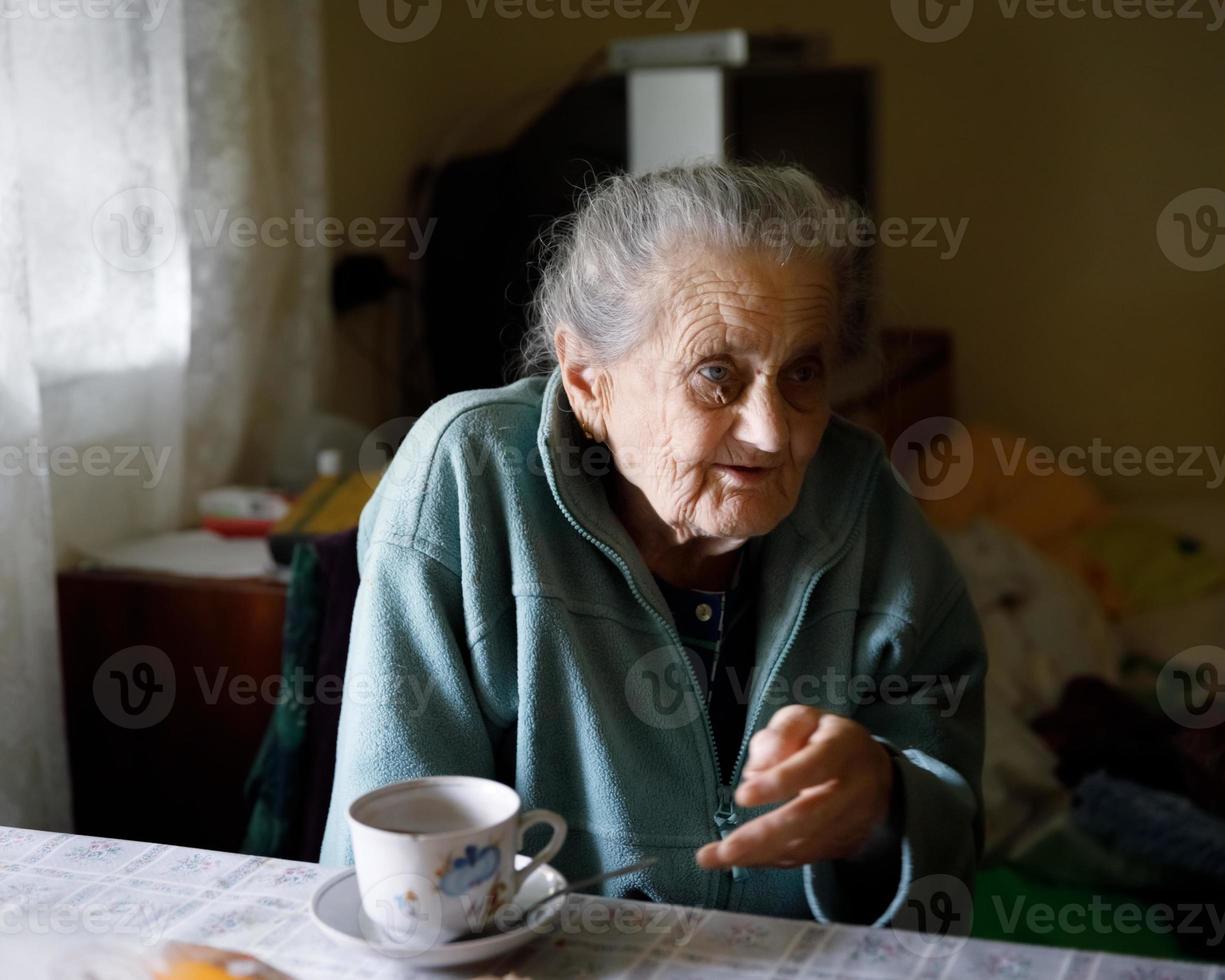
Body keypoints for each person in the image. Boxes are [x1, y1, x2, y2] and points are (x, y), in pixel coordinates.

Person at [320, 163, 986, 927]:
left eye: (801, 371)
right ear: (586, 382)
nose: (773, 433)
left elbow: (953, 849)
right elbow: (396, 862)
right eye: (715, 375)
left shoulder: (868, 505)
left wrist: (886, 805)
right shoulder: (468, 481)